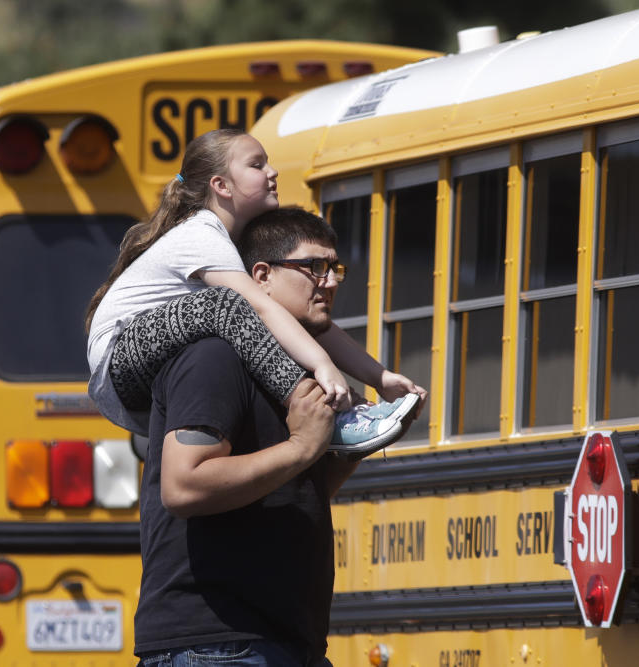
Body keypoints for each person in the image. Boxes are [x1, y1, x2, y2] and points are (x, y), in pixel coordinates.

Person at [134, 206, 414, 666]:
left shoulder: (293, 367)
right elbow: (183, 486)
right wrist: (300, 447)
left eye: (335, 267)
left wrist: (350, 447)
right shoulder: (214, 356)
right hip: (215, 644)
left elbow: (295, 489)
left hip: (286, 639)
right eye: (313, 267)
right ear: (260, 275)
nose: (330, 280)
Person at [85, 129, 425, 455]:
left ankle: (349, 409)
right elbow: (257, 308)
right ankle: (327, 415)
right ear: (221, 186)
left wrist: (379, 376)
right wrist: (322, 366)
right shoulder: (201, 233)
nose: (272, 171)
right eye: (257, 164)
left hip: (154, 363)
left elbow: (293, 320)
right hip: (121, 360)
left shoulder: (234, 246)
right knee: (232, 305)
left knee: (286, 312)